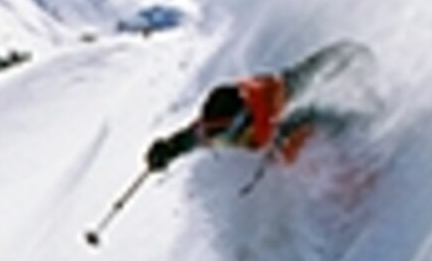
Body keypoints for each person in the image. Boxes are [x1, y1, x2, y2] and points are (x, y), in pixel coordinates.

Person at [142, 40, 371, 174]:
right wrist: (167, 150)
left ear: (244, 119)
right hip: (269, 126)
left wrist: (359, 126)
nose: (228, 141)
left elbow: (316, 111)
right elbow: (188, 139)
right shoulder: (215, 129)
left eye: (230, 134)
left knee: (298, 133)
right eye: (220, 136)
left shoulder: (275, 104)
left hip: (284, 103)